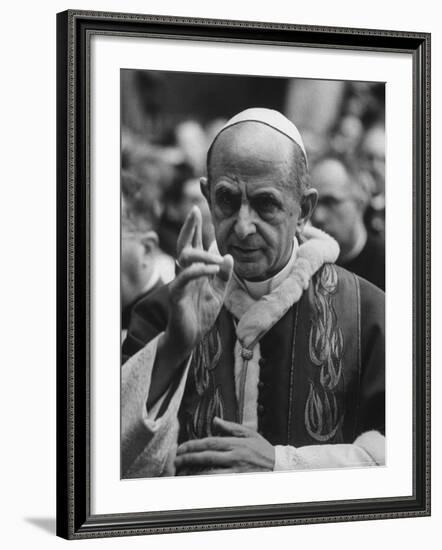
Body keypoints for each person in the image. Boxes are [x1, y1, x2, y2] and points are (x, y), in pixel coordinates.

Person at [121, 108, 385, 478]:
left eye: (265, 203)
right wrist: (173, 350)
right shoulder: (163, 310)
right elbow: (107, 465)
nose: (243, 227)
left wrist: (282, 464)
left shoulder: (368, 313)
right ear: (206, 195)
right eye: (227, 199)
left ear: (304, 208)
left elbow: (413, 459)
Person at [310, 154, 385, 291]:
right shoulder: (306, 268)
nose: (318, 216)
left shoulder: (389, 267)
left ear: (360, 200)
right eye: (312, 204)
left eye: (330, 202)